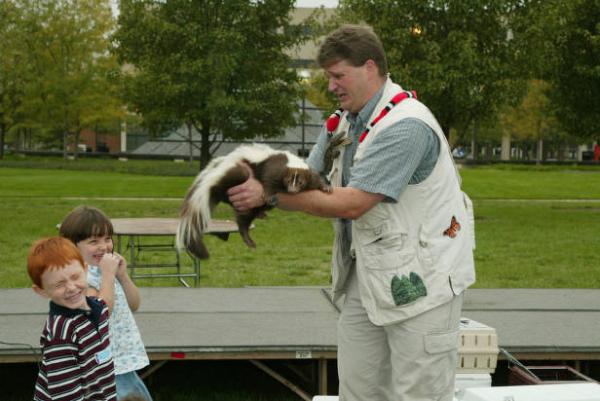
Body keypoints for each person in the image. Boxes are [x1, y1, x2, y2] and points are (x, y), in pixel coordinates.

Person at [228, 24, 476, 401]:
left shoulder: (405, 125)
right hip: (368, 275)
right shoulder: (345, 120)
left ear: (370, 68)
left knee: (419, 394)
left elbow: (354, 203)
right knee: (358, 391)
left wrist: (268, 198)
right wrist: (261, 177)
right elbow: (309, 177)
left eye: (338, 75)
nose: (331, 86)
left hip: (425, 282)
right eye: (329, 76)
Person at [59, 206, 153, 401]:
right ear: (71, 246)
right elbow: (100, 312)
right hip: (102, 363)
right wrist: (108, 275)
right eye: (94, 241)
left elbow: (134, 304)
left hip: (121, 358)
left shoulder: (104, 269)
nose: (104, 246)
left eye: (107, 239)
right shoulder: (80, 278)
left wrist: (123, 276)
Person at [27, 236, 119, 401]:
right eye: (59, 284)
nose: (71, 288)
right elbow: (65, 395)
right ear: (41, 291)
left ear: (85, 269)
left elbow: (106, 304)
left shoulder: (97, 306)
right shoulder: (61, 334)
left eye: (75, 277)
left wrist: (109, 274)